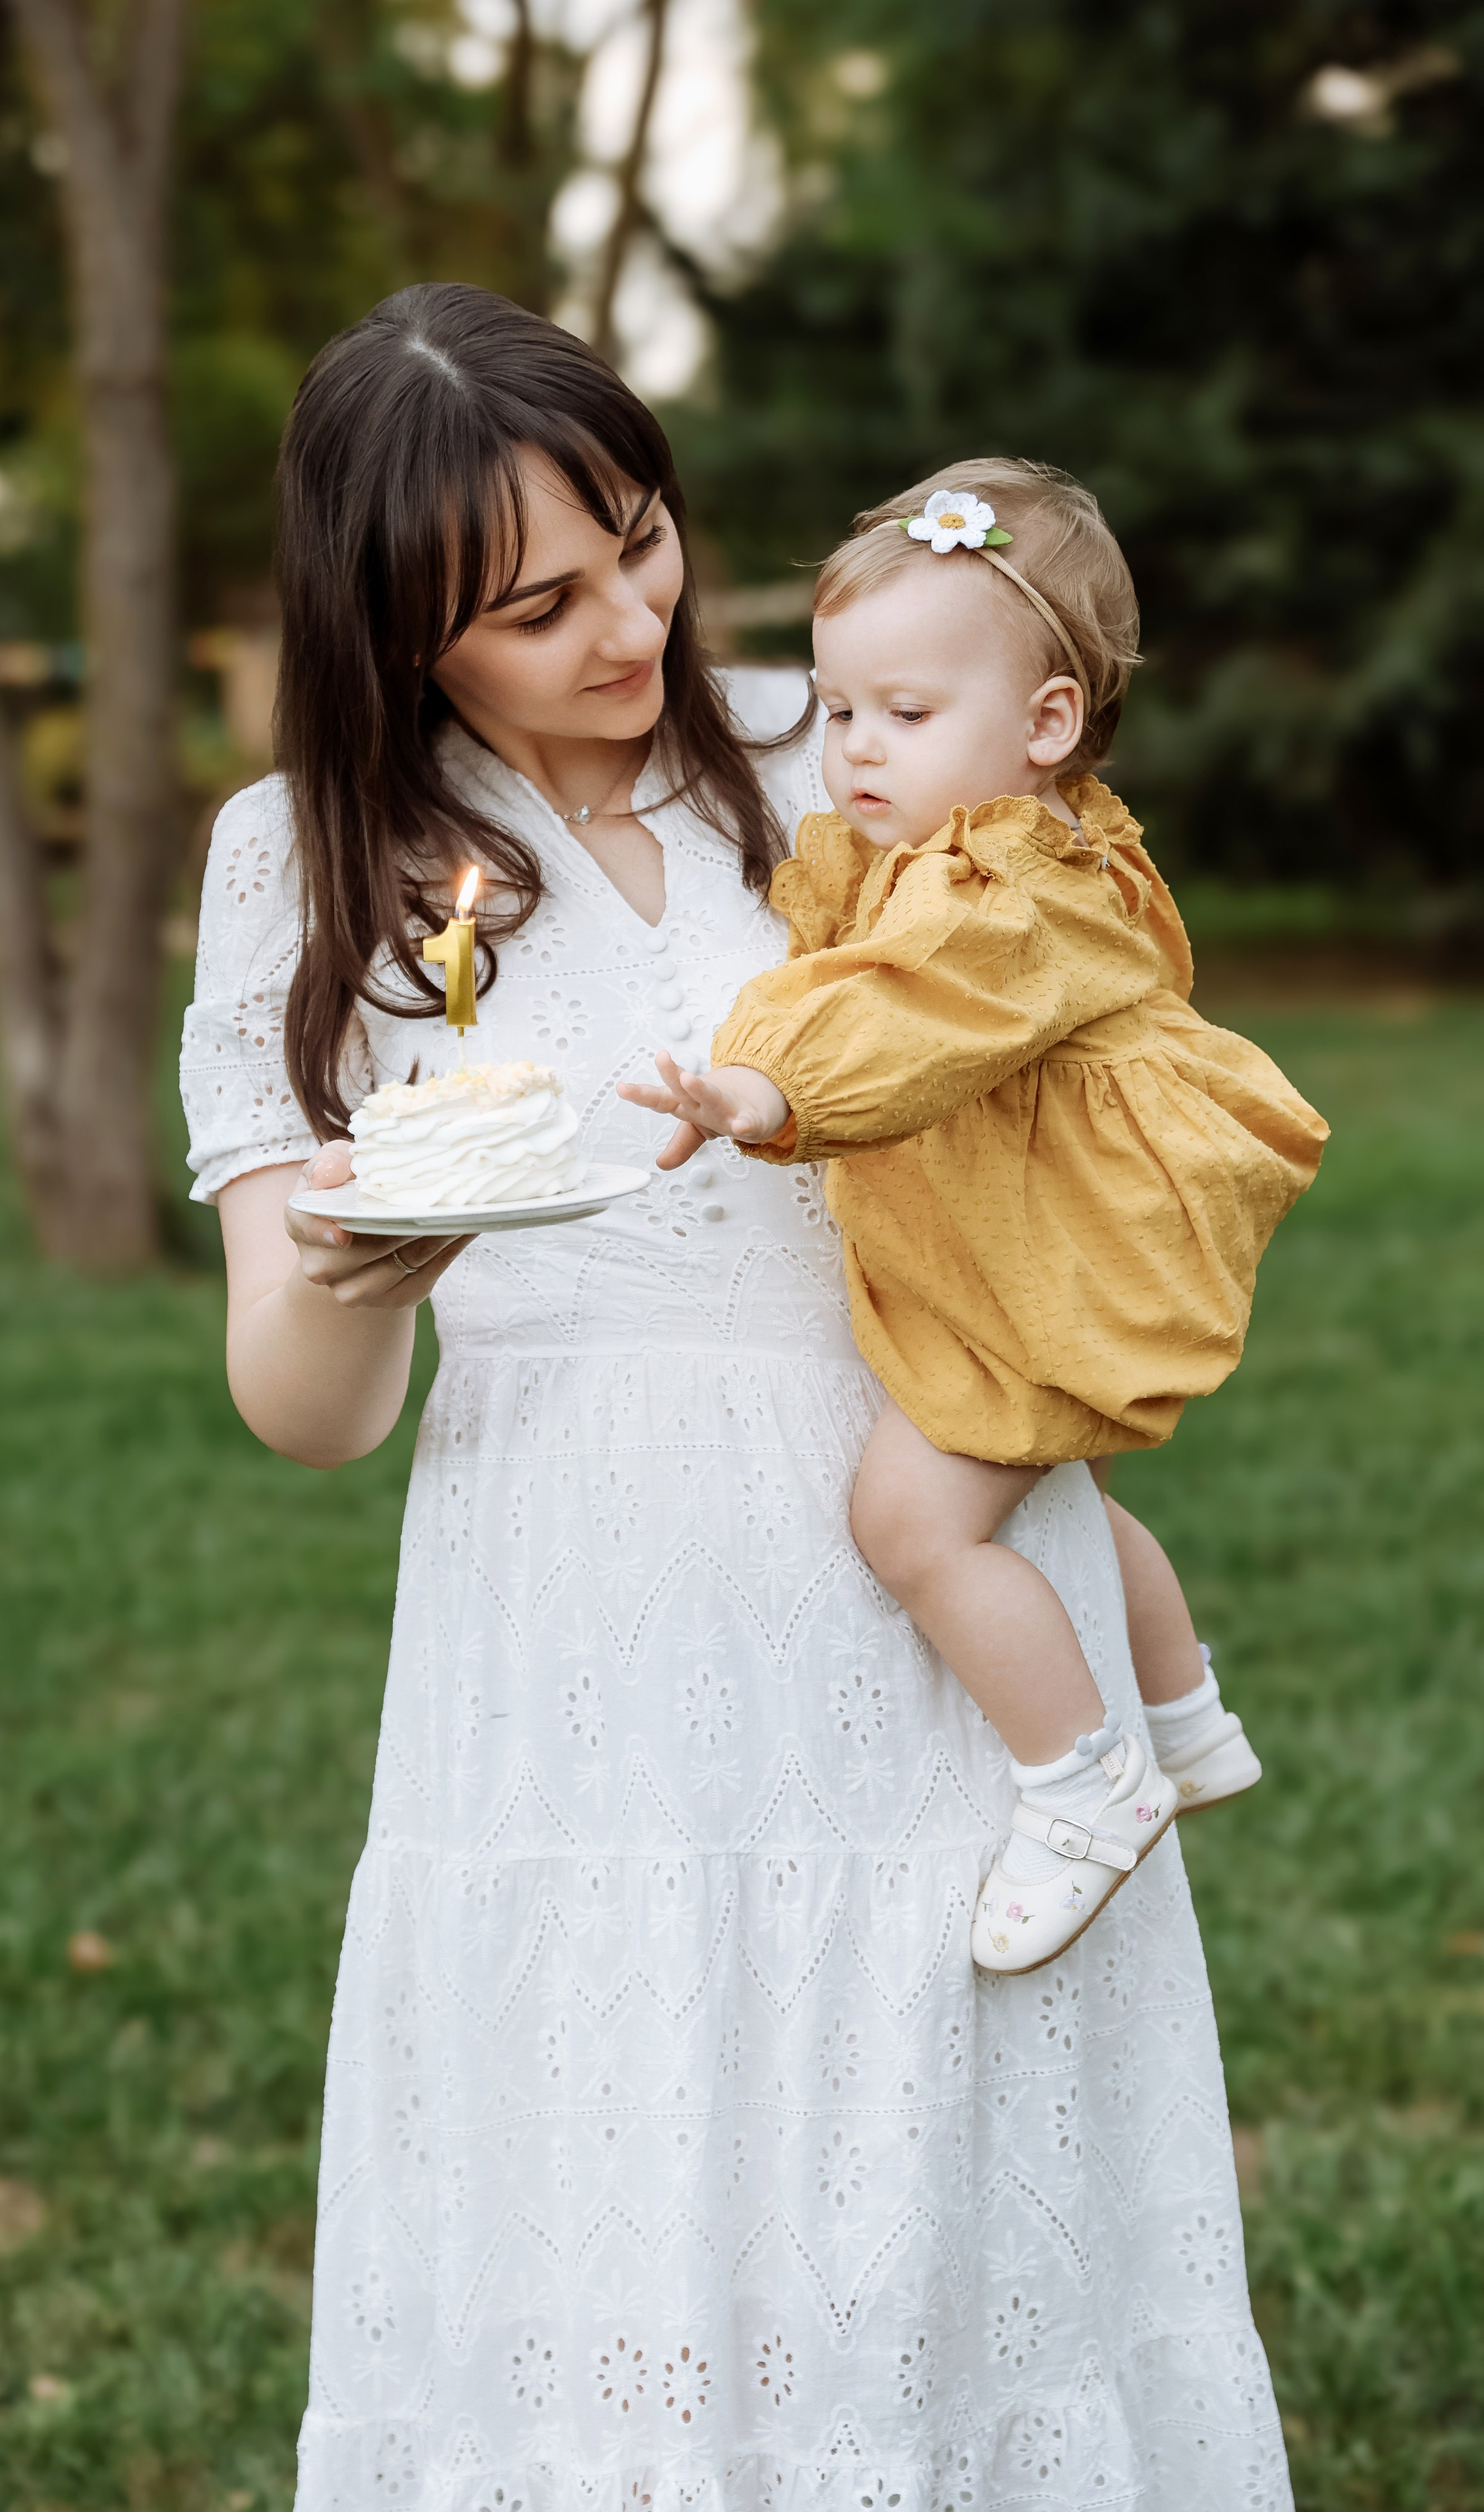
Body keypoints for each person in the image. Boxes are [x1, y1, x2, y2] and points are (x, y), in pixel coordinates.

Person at [181, 288, 1292, 2507]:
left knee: (950, 2218)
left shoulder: (859, 746)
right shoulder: (293, 864)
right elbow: (306, 1413)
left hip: (928, 1580)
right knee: (625, 2214)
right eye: (539, 605)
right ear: (396, 631)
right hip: (580, 1637)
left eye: (645, 541)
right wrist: (351, 1262)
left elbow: (1090, 1003)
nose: (632, 622)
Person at [624, 461, 1327, 1975]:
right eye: (840, 711)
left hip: (1045, 1257)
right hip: (1028, 1235)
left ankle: (1086, 1781)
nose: (857, 749)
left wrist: (765, 1091)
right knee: (1059, 1493)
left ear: (1045, 725)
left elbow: (907, 1007)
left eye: (905, 713)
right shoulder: (1001, 836)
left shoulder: (1006, 891)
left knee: (912, 1519)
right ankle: (1185, 1710)